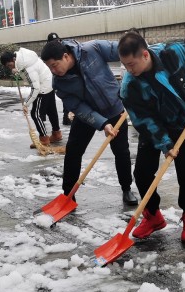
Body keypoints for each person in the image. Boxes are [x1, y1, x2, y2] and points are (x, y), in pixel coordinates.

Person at [117, 30, 185, 243]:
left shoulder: (174, 52)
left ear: (145, 55)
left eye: (132, 64)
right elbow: (144, 120)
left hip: (184, 120)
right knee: (143, 173)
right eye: (125, 65)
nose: (129, 70)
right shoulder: (129, 86)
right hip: (154, 127)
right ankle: (153, 216)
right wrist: (165, 143)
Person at [40, 38, 138, 206]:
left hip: (114, 107)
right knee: (73, 151)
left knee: (121, 151)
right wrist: (102, 123)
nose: (53, 71)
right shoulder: (59, 83)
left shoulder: (92, 49)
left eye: (54, 65)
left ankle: (126, 188)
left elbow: (124, 49)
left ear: (65, 56)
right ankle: (68, 194)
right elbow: (77, 107)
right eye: (49, 67)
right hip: (87, 114)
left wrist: (138, 62)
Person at [0, 47, 62, 146]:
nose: (10, 68)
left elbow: (35, 88)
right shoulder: (26, 58)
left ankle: (44, 140)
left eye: (9, 65)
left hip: (43, 89)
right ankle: (56, 134)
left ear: (13, 59)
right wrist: (17, 71)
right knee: (51, 111)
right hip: (49, 83)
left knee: (35, 114)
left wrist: (26, 104)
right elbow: (28, 74)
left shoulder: (28, 67)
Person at [47, 32, 73, 125]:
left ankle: (69, 119)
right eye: (53, 42)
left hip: (69, 77)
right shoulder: (48, 54)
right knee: (66, 99)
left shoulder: (65, 49)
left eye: (57, 41)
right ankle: (66, 120)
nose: (56, 43)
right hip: (59, 80)